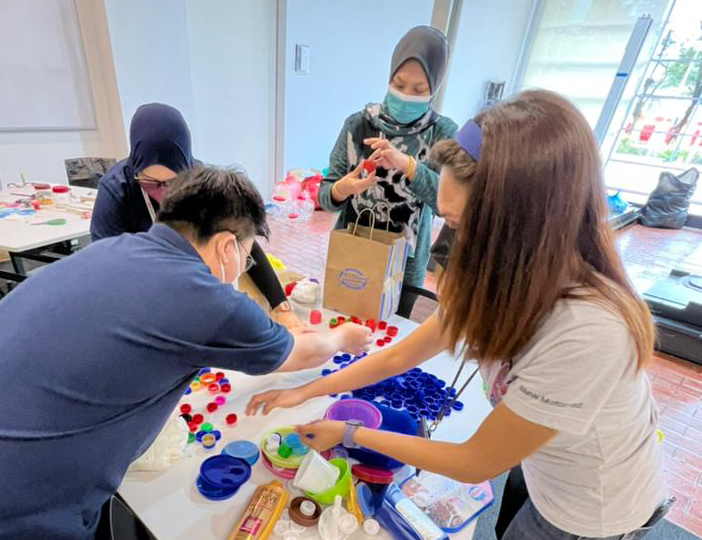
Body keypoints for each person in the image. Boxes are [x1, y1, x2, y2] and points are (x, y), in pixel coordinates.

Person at [247, 90, 670, 539]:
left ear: (517, 227)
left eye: (457, 224)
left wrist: (350, 433)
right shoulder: (511, 276)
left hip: (591, 511)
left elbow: (474, 461)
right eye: (444, 221)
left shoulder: (586, 332)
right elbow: (398, 357)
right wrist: (307, 390)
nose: (446, 244)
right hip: (546, 463)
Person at [0, 166, 372, 540]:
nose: (242, 266)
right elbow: (297, 353)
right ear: (227, 247)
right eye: (246, 256)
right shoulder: (200, 296)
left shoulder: (112, 249)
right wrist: (343, 339)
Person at [91, 103, 300, 328]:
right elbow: (109, 271)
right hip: (140, 293)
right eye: (150, 182)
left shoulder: (200, 184)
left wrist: (281, 307)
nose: (161, 191)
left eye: (172, 182)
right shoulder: (115, 191)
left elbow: (243, 242)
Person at [319, 26, 457, 315]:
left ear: (435, 88)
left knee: (392, 330)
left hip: (403, 267)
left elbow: (446, 204)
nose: (406, 95)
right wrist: (341, 189)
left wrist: (407, 165)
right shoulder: (358, 124)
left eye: (419, 90)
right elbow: (325, 196)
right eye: (399, 83)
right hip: (352, 252)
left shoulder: (442, 133)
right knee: (344, 326)